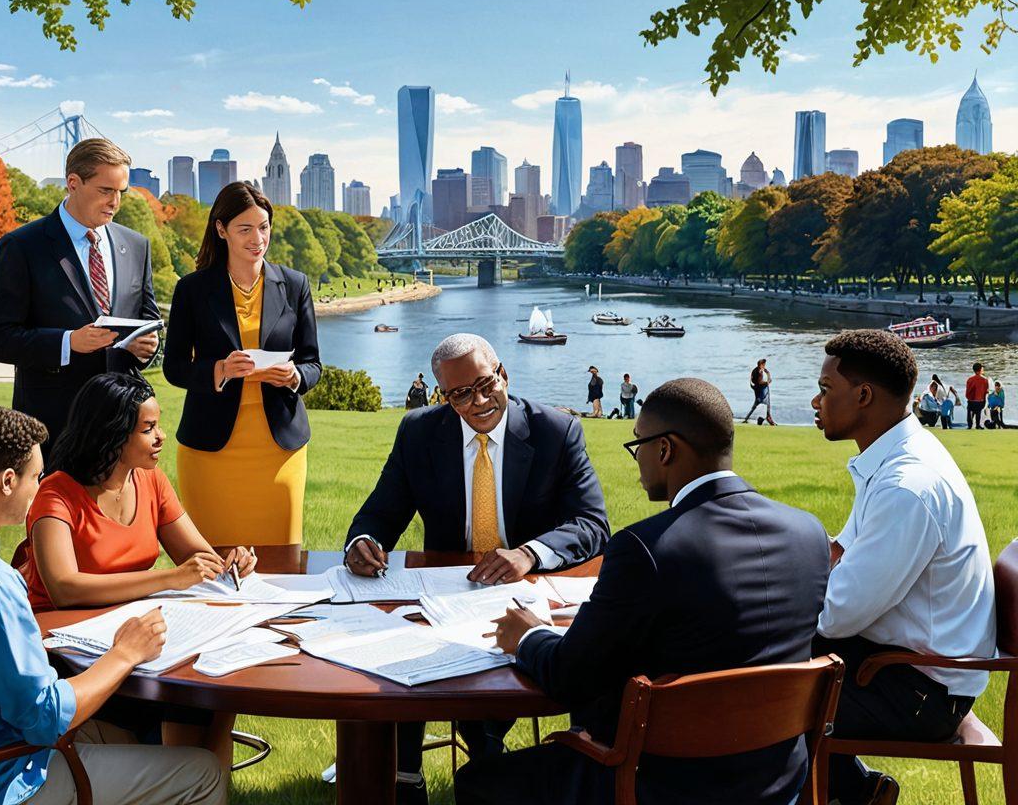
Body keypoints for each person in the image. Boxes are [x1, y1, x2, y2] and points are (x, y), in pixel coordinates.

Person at [458, 378, 830, 805]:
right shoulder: (809, 533)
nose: (638, 462)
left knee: (479, 781)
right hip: (777, 779)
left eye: (638, 446)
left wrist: (527, 635)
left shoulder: (645, 548)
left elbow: (569, 677)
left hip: (653, 784)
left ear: (666, 449)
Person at [0, 407, 225, 805]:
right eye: (36, 477)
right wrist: (126, 653)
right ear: (7, 482)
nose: (40, 488)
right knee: (202, 772)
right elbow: (44, 719)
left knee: (118, 734)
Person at [344, 333, 610, 805]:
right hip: (447, 599)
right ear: (443, 396)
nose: (479, 401)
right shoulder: (420, 432)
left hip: (528, 600)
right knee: (389, 666)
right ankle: (406, 779)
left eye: (486, 385)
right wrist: (363, 542)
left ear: (503, 374)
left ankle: (489, 759)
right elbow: (381, 513)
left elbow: (591, 523)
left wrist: (529, 553)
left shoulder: (556, 430)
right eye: (460, 394)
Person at [18, 372, 253, 765]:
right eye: (148, 428)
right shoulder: (57, 493)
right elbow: (64, 588)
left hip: (130, 633)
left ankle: (197, 784)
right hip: (68, 651)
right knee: (188, 700)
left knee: (209, 694)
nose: (161, 436)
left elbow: (195, 555)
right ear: (112, 434)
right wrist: (171, 579)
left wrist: (229, 560)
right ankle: (183, 781)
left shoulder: (150, 480)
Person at [811, 330, 995, 805]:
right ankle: (854, 790)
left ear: (864, 396)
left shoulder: (906, 485)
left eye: (826, 389)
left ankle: (844, 792)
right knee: (760, 658)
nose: (816, 400)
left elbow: (836, 614)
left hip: (921, 694)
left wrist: (758, 597)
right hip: (910, 672)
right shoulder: (899, 458)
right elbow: (841, 555)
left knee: (760, 692)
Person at [164, 182, 320, 552]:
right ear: (221, 230)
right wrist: (218, 370)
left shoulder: (295, 285)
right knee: (212, 564)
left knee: (282, 563)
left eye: (264, 227)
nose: (257, 238)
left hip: (280, 449)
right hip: (210, 450)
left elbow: (313, 363)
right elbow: (173, 367)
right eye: (245, 229)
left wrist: (296, 376)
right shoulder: (192, 289)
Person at [0, 138, 161, 451]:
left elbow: (149, 319)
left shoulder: (136, 246)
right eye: (106, 190)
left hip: (124, 431)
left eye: (121, 192)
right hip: (55, 429)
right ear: (73, 183)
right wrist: (68, 342)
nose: (115, 202)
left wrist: (147, 346)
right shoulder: (23, 247)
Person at [743, 357, 775, 424]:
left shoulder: (755, 370)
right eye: (764, 364)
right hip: (762, 389)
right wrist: (767, 381)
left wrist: (768, 376)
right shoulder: (760, 371)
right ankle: (767, 418)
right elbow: (760, 381)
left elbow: (752, 381)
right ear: (761, 364)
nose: (764, 366)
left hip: (757, 388)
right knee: (766, 403)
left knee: (757, 403)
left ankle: (747, 418)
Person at [965, 361, 989, 429]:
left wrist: (969, 398)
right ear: (980, 369)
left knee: (969, 412)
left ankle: (969, 425)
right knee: (978, 413)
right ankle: (977, 425)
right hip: (980, 400)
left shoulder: (970, 379)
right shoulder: (984, 380)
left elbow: (968, 391)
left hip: (971, 400)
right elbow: (985, 391)